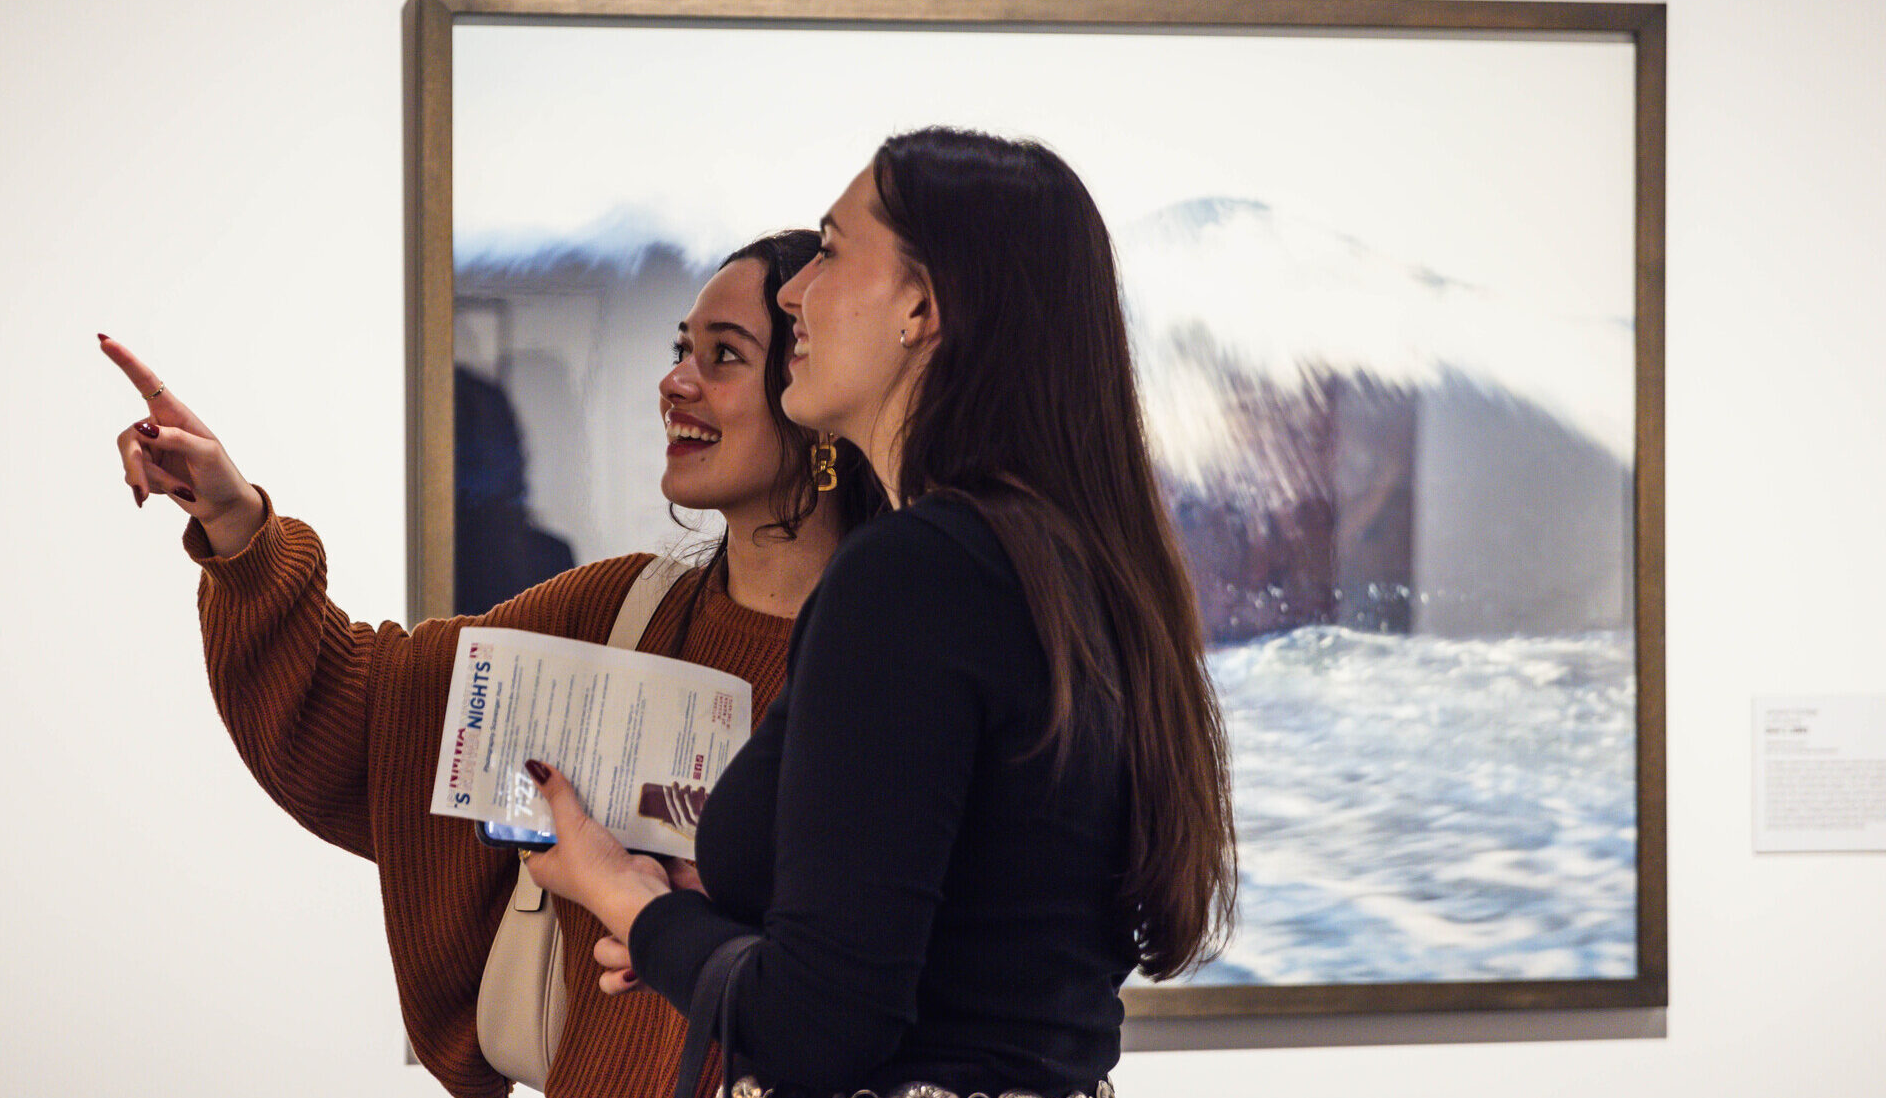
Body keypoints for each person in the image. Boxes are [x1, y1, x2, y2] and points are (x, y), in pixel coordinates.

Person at [524, 128, 1238, 1098]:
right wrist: (702, 931)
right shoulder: (1076, 572)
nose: (792, 291)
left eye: (828, 248)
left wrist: (622, 893)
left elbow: (818, 1031)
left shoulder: (911, 576)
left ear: (921, 306)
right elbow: (964, 947)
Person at [103, 229, 884, 1098]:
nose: (675, 381)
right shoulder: (621, 614)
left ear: (815, 395)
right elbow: (362, 722)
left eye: (724, 355)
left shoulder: (908, 664)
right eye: (679, 350)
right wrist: (235, 522)